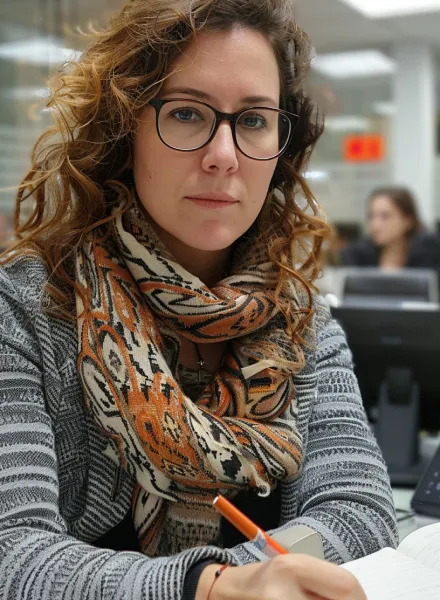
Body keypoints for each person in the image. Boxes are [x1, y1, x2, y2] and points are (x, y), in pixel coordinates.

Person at [0, 1, 397, 599]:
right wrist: (213, 588)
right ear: (124, 128)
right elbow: (12, 554)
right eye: (187, 113)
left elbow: (359, 511)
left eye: (254, 120)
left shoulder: (303, 320)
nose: (224, 155)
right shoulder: (26, 308)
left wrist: (251, 581)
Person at [341, 186, 440, 276]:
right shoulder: (358, 255)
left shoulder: (429, 255)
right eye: (371, 216)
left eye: (385, 216)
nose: (375, 225)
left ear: (408, 220)